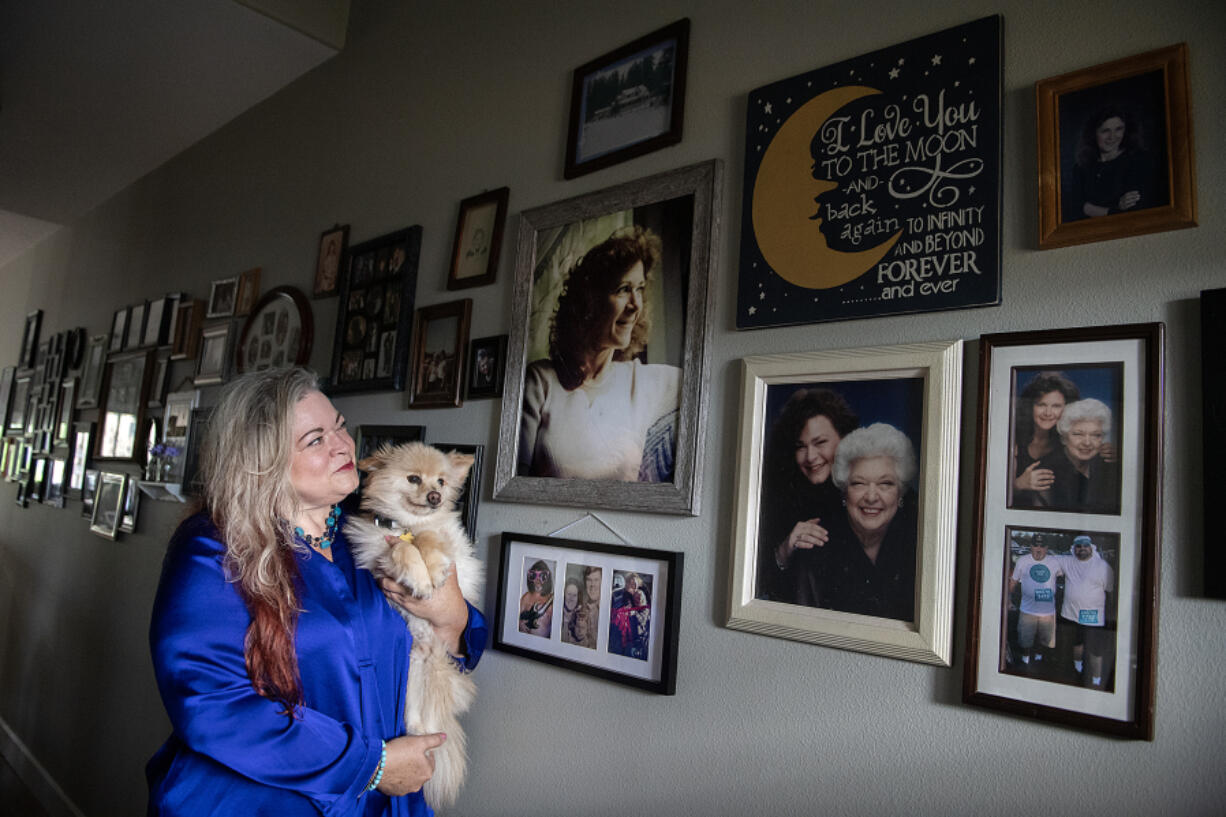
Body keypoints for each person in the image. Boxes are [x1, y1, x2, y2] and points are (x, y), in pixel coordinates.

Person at [146, 367, 487, 817]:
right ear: (261, 460)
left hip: (383, 799)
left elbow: (431, 646)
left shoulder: (366, 532)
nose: (343, 445)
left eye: (340, 426)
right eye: (315, 439)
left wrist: (454, 618)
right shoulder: (212, 548)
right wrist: (371, 765)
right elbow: (212, 704)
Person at [518, 226, 680, 482]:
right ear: (589, 301)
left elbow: (710, 387)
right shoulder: (540, 381)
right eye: (623, 289)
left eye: (640, 288)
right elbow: (515, 481)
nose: (635, 304)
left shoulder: (642, 381)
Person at [791, 422, 919, 622]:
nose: (871, 497)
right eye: (859, 483)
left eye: (885, 484)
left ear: (900, 493)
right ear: (844, 491)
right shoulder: (815, 548)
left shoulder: (920, 543)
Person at [755, 388, 859, 602]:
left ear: (845, 439)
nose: (810, 457)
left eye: (820, 443)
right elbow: (759, 585)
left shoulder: (869, 487)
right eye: (801, 447)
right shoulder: (778, 498)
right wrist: (784, 550)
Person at [1068, 107, 1161, 221]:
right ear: (1093, 133)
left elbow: (1136, 210)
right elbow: (1075, 210)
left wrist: (1090, 209)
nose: (1112, 137)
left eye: (1118, 129)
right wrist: (1116, 209)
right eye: (1105, 131)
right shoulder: (1081, 167)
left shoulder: (1139, 159)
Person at [1035, 398, 1121, 514]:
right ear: (1064, 437)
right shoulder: (1044, 471)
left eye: (1096, 435)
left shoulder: (1109, 466)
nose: (1087, 442)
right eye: (1078, 434)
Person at [1011, 371, 1080, 507]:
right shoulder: (1013, 440)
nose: (1048, 413)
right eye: (1041, 405)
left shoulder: (1072, 443)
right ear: (1030, 406)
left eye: (1056, 406)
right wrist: (1018, 484)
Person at [1055, 535, 1116, 689]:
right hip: (1071, 615)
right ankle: (1078, 667)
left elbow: (1110, 590)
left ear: (1091, 548)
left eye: (1085, 546)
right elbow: (1047, 562)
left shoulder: (1102, 566)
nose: (1082, 548)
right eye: (1078, 546)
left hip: (1093, 618)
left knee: (1095, 652)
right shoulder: (1066, 561)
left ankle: (1096, 679)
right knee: (1077, 644)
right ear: (1074, 548)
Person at [1008, 536, 1062, 673]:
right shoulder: (1022, 561)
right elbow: (1013, 582)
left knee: (1044, 640)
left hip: (1048, 612)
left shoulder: (1055, 561)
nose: (1038, 549)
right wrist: (1007, 599)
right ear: (1031, 546)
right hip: (1027, 610)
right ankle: (1025, 659)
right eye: (1035, 545)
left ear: (1046, 548)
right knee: (1025, 640)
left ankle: (1039, 658)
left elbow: (1067, 575)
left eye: (1042, 546)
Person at [609, 572, 650, 660]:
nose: (632, 586)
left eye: (634, 584)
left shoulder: (642, 594)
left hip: (637, 637)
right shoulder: (620, 594)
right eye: (629, 583)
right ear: (626, 583)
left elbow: (643, 616)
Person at [518, 559, 554, 637]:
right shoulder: (526, 597)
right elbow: (513, 618)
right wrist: (520, 624)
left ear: (547, 578)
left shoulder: (552, 600)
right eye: (533, 575)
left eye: (542, 576)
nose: (538, 580)